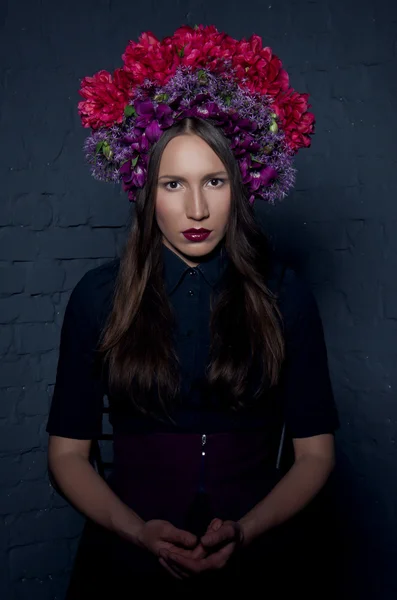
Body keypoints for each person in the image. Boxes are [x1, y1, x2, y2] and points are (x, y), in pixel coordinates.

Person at [46, 25, 340, 597]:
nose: (198, 208)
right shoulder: (96, 297)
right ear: (144, 189)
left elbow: (315, 454)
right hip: (126, 569)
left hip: (257, 569)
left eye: (214, 181)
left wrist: (247, 532)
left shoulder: (287, 296)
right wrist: (135, 532)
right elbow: (66, 454)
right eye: (173, 184)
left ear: (242, 186)